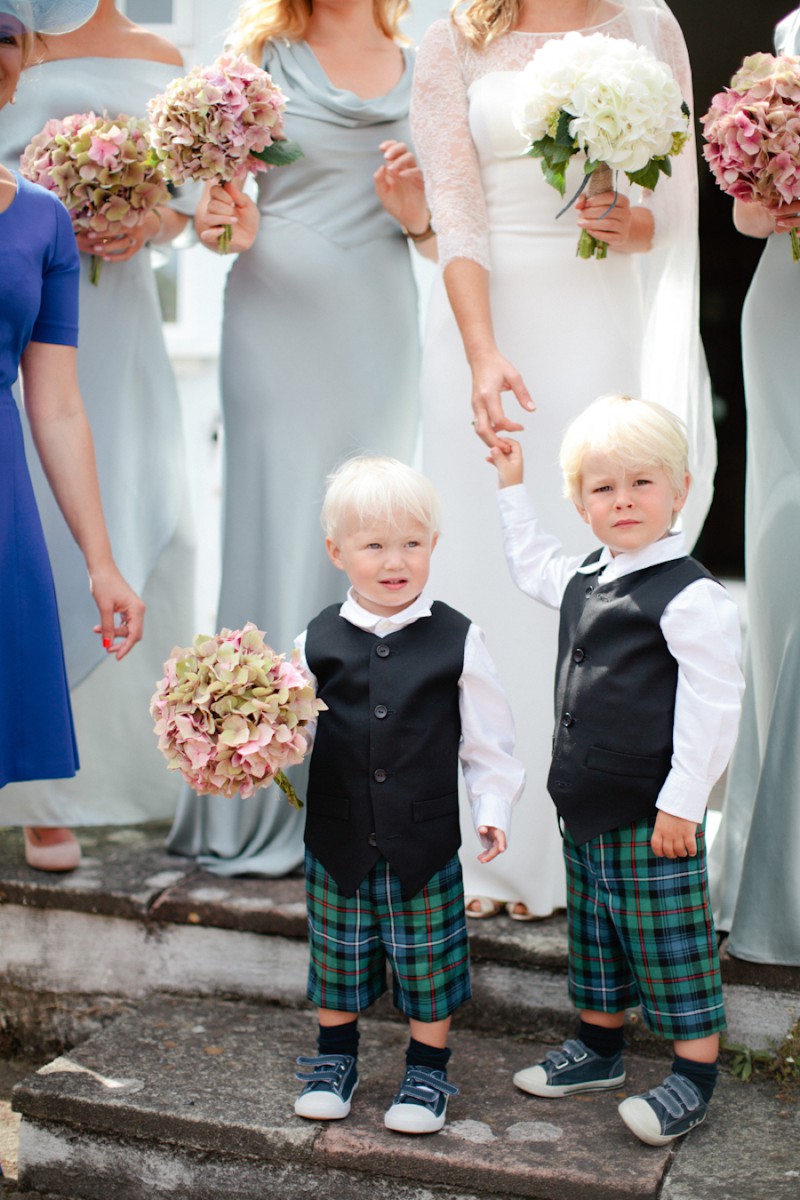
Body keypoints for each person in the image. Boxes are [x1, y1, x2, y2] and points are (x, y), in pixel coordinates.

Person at [411, 0, 716, 919]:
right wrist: (481, 353)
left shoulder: (648, 27)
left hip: (598, 315)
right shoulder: (450, 39)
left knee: (597, 572)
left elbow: (673, 212)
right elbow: (456, 214)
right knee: (483, 563)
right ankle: (488, 841)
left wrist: (628, 223)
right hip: (485, 324)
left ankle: (589, 843)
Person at [167, 0, 433, 877]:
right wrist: (221, 223)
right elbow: (212, 216)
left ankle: (360, 805)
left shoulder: (426, 64)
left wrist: (418, 216)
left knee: (373, 545)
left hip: (379, 330)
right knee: (278, 538)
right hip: (273, 327)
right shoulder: (258, 57)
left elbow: (445, 234)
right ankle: (250, 787)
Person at [489, 395, 743, 1145]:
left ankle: (694, 1077)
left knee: (671, 945)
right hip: (585, 807)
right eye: (603, 488)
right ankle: (599, 1050)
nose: (623, 500)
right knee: (596, 934)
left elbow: (713, 705)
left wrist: (684, 802)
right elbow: (529, 563)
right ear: (581, 504)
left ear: (681, 490)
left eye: (642, 482)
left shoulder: (692, 596)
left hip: (653, 814)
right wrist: (511, 486)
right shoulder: (585, 574)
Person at [0, 0, 196, 869]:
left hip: (83, 346)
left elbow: (57, 405)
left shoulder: (38, 218)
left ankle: (64, 793)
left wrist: (101, 561)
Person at [291, 456, 524, 1134]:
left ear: (433, 545)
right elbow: (293, 729)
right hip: (337, 838)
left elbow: (488, 741)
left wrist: (491, 809)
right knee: (338, 956)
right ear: (337, 551)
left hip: (422, 842)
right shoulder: (315, 640)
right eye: (374, 545)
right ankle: (335, 1060)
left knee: (428, 964)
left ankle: (426, 1070)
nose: (395, 561)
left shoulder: (458, 637)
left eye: (411, 543)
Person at [708, 7, 800, 966]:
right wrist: (771, 173)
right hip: (787, 306)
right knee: (786, 553)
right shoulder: (791, 33)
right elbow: (746, 215)